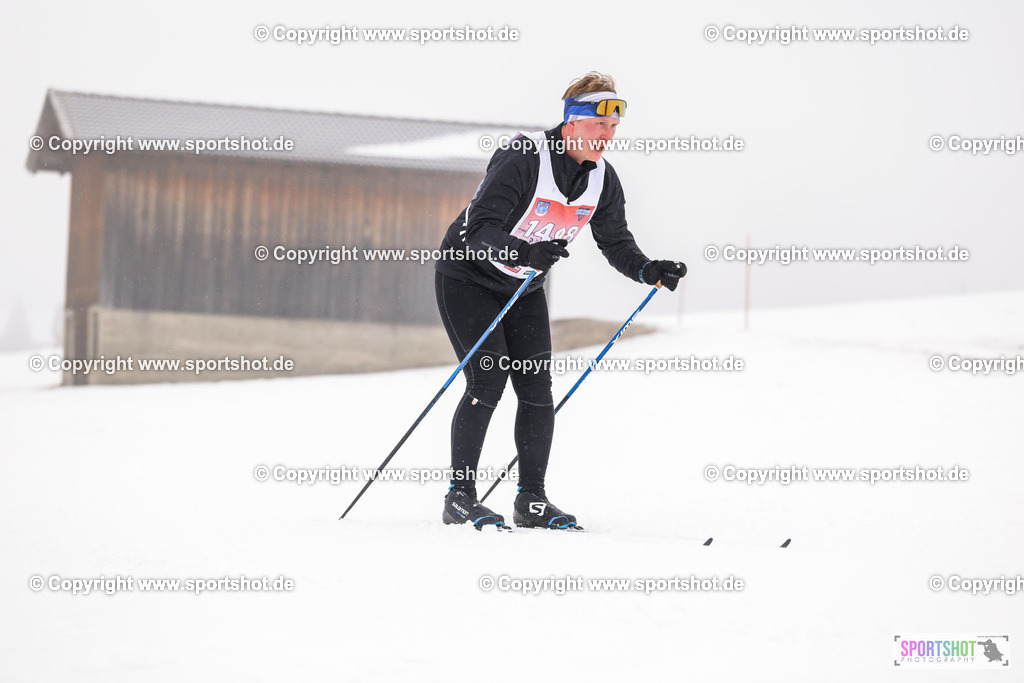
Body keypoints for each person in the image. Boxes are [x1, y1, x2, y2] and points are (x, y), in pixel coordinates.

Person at [434, 71, 685, 530]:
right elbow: (479, 229)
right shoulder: (524, 158)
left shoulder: (602, 179)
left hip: (523, 286)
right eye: (599, 124)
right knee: (488, 379)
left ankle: (531, 498)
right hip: (468, 277)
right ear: (571, 122)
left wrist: (648, 269)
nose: (607, 136)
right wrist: (524, 251)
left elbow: (615, 242)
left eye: (613, 127)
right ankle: (460, 497)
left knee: (536, 387)